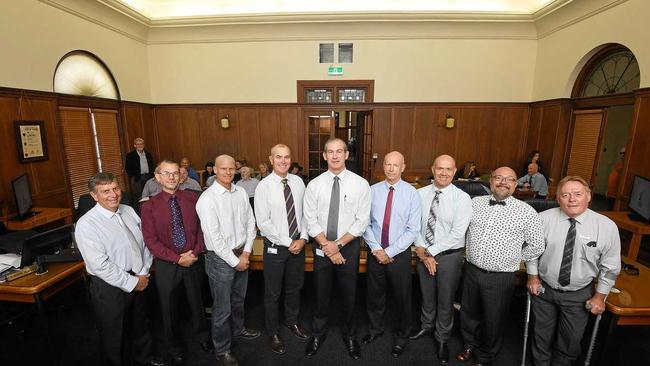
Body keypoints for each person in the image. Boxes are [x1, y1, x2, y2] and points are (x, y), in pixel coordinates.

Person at [526, 175, 621, 366]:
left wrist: (600, 297)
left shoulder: (606, 227)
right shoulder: (542, 219)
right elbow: (531, 252)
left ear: (589, 196)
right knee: (540, 338)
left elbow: (610, 267)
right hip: (544, 290)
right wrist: (533, 277)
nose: (572, 199)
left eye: (578, 194)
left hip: (580, 295)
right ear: (558, 198)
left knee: (570, 343)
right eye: (565, 194)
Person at [456, 166, 545, 366]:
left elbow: (538, 245)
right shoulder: (474, 203)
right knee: (469, 313)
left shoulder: (526, 212)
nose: (503, 182)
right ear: (491, 181)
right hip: (471, 269)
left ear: (516, 184)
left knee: (493, 319)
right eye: (498, 177)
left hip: (500, 277)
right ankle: (469, 344)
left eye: (509, 179)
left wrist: (514, 258)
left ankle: (486, 355)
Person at [75, 172, 159, 366]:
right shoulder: (87, 224)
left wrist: (143, 272)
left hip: (139, 276)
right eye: (105, 191)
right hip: (109, 287)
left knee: (141, 327)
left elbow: (144, 243)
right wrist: (133, 282)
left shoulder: (128, 210)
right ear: (94, 196)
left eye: (115, 188)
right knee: (114, 336)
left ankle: (145, 360)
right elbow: (100, 265)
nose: (113, 194)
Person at [303, 137, 370, 360]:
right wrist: (327, 246)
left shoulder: (360, 184)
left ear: (346, 155)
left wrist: (338, 245)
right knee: (321, 294)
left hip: (348, 247)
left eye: (339, 151)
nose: (334, 156)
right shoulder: (314, 185)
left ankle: (351, 336)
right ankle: (317, 334)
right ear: (324, 155)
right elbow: (310, 220)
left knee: (349, 295)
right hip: (322, 247)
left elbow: (361, 221)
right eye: (330, 152)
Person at [141, 160, 212, 365]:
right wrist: (177, 258)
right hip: (167, 264)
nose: (172, 177)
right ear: (158, 177)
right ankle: (174, 347)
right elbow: (150, 241)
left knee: (197, 302)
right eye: (167, 173)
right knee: (168, 309)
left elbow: (201, 229)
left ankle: (202, 337)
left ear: (181, 176)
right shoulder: (149, 206)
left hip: (193, 259)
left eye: (175, 173)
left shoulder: (192, 198)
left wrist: (194, 252)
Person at [196, 155, 260, 366]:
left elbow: (251, 223)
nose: (228, 172)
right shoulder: (207, 199)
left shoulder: (241, 191)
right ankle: (222, 349)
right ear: (215, 170)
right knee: (222, 307)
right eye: (223, 169)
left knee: (238, 300)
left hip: (242, 254)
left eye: (232, 168)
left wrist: (246, 253)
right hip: (221, 260)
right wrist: (235, 261)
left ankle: (239, 330)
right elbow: (214, 239)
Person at [412, 155, 472, 365]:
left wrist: (430, 252)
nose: (443, 173)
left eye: (448, 169)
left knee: (445, 300)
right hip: (422, 253)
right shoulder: (418, 194)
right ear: (433, 169)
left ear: (455, 171)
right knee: (427, 295)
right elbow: (414, 226)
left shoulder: (462, 198)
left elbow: (457, 233)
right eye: (440, 168)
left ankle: (442, 338)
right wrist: (423, 250)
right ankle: (426, 326)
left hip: (448, 257)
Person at [362, 151, 420, 358]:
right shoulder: (372, 190)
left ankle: (402, 335)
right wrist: (377, 250)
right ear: (383, 166)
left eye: (396, 165)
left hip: (399, 254)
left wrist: (389, 252)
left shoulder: (412, 193)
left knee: (402, 297)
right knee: (374, 295)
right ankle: (375, 329)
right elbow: (365, 224)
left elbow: (413, 230)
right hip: (375, 251)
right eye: (388, 164)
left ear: (403, 167)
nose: (391, 168)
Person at [254, 144, 311, 355]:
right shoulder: (264, 186)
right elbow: (264, 223)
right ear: (271, 159)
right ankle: (272, 331)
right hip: (277, 248)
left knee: (295, 288)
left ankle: (291, 321)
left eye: (287, 157)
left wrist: (304, 238)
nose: (283, 161)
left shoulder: (298, 182)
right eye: (279, 157)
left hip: (299, 245)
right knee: (273, 292)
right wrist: (289, 242)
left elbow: (306, 214)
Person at [125, 137, 155, 206]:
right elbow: (127, 168)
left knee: (149, 194)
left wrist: (152, 176)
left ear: (143, 145)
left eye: (141, 144)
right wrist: (133, 176)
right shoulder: (130, 155)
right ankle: (140, 211)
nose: (140, 146)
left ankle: (150, 208)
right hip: (138, 178)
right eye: (137, 144)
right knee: (139, 196)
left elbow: (152, 166)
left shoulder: (148, 154)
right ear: (134, 145)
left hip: (149, 177)